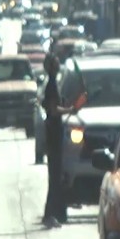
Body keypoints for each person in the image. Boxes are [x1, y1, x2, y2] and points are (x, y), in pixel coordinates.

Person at [41, 53, 77, 228]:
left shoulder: (52, 85)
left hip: (53, 134)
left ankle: (53, 213)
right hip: (53, 134)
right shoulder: (51, 86)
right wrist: (69, 109)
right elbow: (54, 110)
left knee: (55, 176)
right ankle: (50, 214)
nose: (57, 67)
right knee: (54, 176)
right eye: (55, 64)